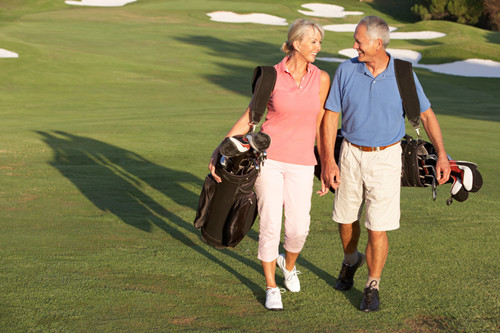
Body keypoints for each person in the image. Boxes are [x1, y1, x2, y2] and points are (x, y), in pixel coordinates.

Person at [319, 15, 451, 312]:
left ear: (378, 43)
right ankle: (351, 259)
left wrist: (442, 154)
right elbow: (330, 117)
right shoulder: (346, 70)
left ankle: (372, 285)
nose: (354, 46)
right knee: (345, 219)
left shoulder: (403, 73)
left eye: (359, 41)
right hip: (350, 153)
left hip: (387, 157)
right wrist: (328, 160)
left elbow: (427, 115)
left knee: (378, 227)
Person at [209, 18, 330, 311]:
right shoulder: (271, 76)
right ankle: (271, 286)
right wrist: (220, 150)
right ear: (296, 43)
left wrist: (326, 164)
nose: (318, 47)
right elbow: (250, 117)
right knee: (270, 223)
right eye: (313, 41)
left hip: (303, 162)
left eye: (319, 42)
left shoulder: (322, 78)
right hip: (269, 160)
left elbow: (320, 123)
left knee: (299, 228)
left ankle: (288, 265)